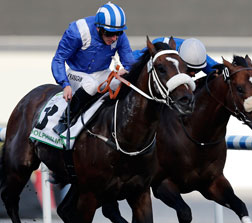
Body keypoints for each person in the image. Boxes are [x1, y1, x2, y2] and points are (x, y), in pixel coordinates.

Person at [51, 2, 135, 135]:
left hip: (101, 72)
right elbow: (58, 59)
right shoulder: (77, 31)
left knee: (122, 83)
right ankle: (65, 120)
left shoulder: (119, 37)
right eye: (109, 33)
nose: (114, 38)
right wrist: (65, 84)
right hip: (75, 72)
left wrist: (129, 71)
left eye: (118, 33)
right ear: (98, 28)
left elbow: (129, 61)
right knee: (91, 85)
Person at [133, 37, 218, 78]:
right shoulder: (159, 47)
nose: (193, 74)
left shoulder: (199, 57)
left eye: (197, 70)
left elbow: (221, 71)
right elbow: (132, 59)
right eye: (189, 69)